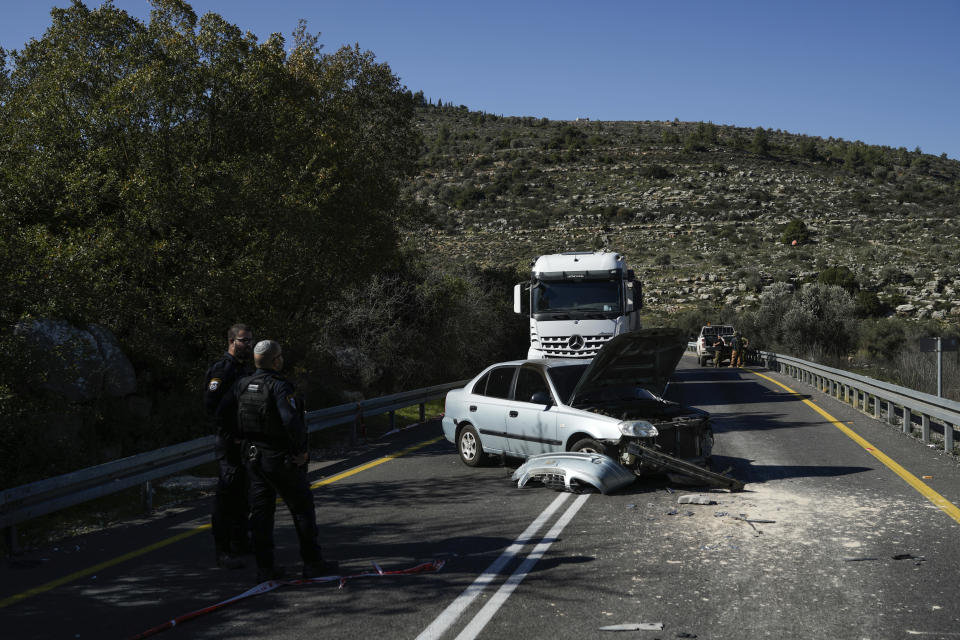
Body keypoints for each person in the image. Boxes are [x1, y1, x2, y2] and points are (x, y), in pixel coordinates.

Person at [218, 339, 338, 582]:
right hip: (279, 457)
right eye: (280, 356)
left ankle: (266, 568)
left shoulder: (241, 384)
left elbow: (221, 413)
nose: (282, 359)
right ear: (275, 360)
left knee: (261, 513)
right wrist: (300, 452)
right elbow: (292, 422)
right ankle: (312, 562)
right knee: (302, 508)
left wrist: (238, 438)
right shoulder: (279, 386)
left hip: (252, 457)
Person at [204, 323, 255, 570]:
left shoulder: (244, 369)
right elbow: (211, 407)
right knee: (225, 497)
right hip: (229, 442)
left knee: (242, 495)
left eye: (250, 340)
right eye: (244, 340)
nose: (249, 345)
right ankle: (222, 551)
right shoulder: (222, 370)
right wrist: (230, 435)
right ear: (231, 341)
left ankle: (240, 542)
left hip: (244, 442)